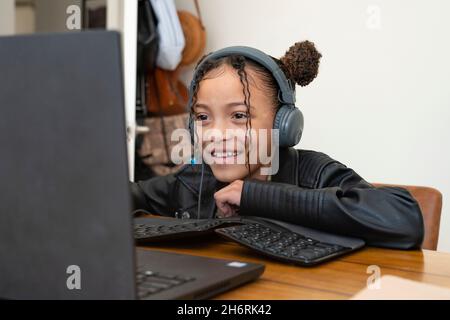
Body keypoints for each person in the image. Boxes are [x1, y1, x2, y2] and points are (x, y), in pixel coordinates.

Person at [130, 41, 424, 249]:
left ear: (283, 124)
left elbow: (404, 219)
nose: (215, 134)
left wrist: (259, 196)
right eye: (203, 117)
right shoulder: (194, 180)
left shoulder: (312, 173)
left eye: (239, 116)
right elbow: (121, 198)